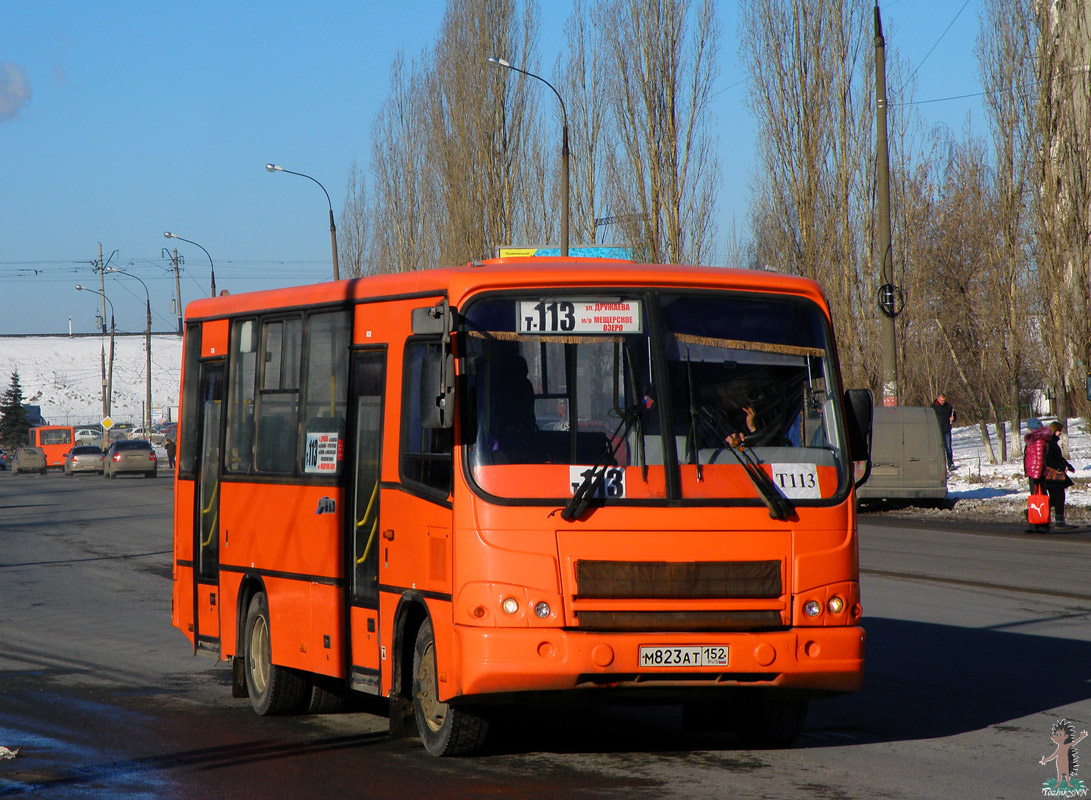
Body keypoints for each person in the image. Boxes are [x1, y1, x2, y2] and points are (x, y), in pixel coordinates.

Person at [1041, 421, 1076, 529]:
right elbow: (1048, 460)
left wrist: (1068, 466)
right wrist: (1060, 467)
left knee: (1056, 498)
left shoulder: (1052, 442)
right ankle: (1059, 521)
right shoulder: (1049, 443)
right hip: (1052, 475)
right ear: (1054, 430)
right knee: (1058, 497)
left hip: (1053, 475)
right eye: (1059, 431)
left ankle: (1058, 520)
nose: (1060, 433)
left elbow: (1059, 457)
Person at [1024, 418, 1052, 532]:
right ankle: (1036, 523)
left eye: (1028, 427)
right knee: (1036, 499)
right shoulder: (1035, 440)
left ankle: (1041, 524)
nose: (1027, 429)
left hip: (1037, 474)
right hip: (1034, 473)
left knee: (1039, 499)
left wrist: (1036, 476)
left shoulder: (1038, 441)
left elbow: (1039, 460)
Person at [931, 393, 956, 469]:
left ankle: (950, 463)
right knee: (939, 448)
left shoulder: (948, 407)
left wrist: (953, 418)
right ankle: (940, 465)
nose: (942, 402)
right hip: (937, 430)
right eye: (941, 400)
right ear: (938, 399)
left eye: (944, 400)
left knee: (948, 447)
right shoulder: (933, 407)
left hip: (946, 430)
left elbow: (954, 415)